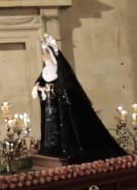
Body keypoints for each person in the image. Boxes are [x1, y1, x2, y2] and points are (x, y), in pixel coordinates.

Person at [33, 33, 124, 164]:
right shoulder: (46, 70)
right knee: (50, 129)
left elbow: (65, 88)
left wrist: (53, 91)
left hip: (60, 106)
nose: (43, 55)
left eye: (45, 52)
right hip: (49, 105)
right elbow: (40, 83)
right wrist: (40, 89)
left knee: (65, 129)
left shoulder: (58, 70)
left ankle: (66, 149)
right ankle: (51, 148)